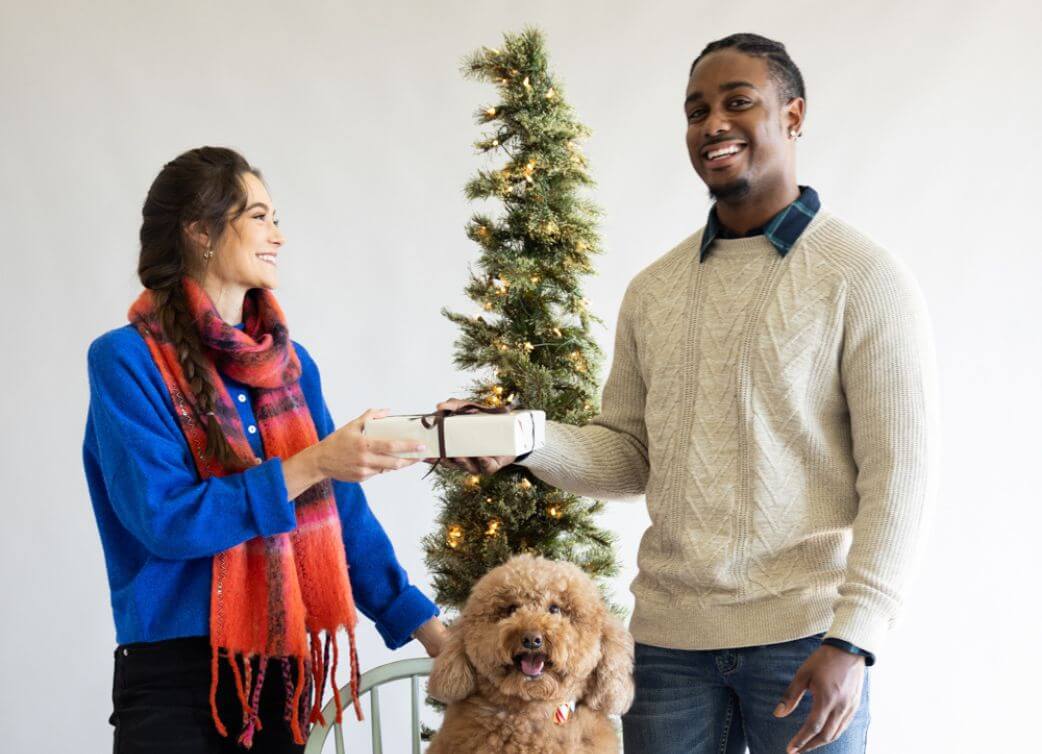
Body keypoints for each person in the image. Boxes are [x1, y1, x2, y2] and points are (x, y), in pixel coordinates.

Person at [438, 33, 938, 754]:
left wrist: (855, 639)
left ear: (794, 115)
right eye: (696, 110)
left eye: (739, 103)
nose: (713, 125)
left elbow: (903, 476)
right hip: (669, 650)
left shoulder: (865, 278)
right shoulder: (655, 290)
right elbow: (629, 455)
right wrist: (521, 438)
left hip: (803, 640)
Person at [84, 146, 448, 753]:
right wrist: (311, 464)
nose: (278, 235)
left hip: (280, 671)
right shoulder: (123, 361)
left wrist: (436, 634)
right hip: (174, 680)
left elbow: (344, 521)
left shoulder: (293, 367)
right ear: (200, 231)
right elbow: (166, 521)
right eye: (259, 216)